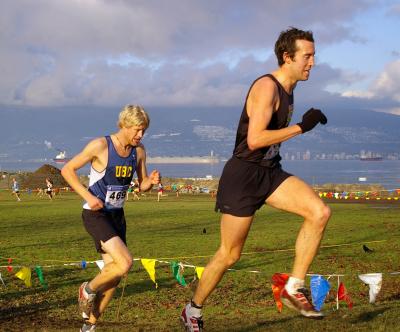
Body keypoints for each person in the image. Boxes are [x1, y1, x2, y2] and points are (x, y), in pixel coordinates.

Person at [180, 27, 331, 331]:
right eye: (307, 56)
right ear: (287, 57)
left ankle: (294, 287)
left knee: (319, 212)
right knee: (230, 255)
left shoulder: (290, 89)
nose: (313, 62)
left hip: (269, 171)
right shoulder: (267, 87)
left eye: (314, 55)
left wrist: (299, 128)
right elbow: (254, 139)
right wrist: (302, 127)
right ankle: (192, 310)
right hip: (243, 176)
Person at [61, 105, 160, 332]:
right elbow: (67, 169)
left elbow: (142, 185)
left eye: (144, 131)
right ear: (124, 125)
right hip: (95, 214)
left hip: (117, 215)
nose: (140, 135)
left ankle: (90, 326)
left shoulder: (139, 151)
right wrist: (87, 195)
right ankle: (87, 289)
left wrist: (151, 182)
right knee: (125, 263)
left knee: (115, 276)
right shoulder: (100, 146)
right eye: (137, 130)